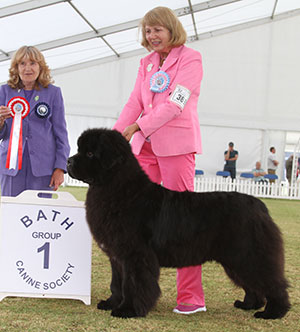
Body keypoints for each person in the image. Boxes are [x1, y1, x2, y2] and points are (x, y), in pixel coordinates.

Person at [113, 7, 206, 315]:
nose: (152, 36)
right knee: (138, 223)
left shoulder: (191, 59)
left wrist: (140, 125)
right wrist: (115, 137)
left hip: (177, 146)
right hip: (145, 149)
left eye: (157, 30)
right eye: (148, 31)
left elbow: (176, 102)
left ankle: (191, 297)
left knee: (183, 220)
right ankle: (139, 293)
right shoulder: (146, 63)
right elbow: (135, 102)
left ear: (171, 30)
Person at [0, 46, 70, 197]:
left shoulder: (53, 93)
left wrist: (60, 168)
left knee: (41, 215)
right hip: (11, 167)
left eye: (33, 63)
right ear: (16, 68)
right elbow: (2, 133)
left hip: (44, 168)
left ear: (40, 67)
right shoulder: (4, 91)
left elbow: (61, 134)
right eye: (22, 64)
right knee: (12, 214)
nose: (28, 68)